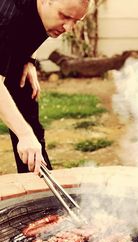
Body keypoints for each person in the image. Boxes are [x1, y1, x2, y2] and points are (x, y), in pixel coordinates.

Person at [0, 0, 89, 174]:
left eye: (76, 21)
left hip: (11, 45)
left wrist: (29, 59)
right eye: (65, 16)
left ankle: (38, 184)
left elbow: (31, 26)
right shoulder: (6, 18)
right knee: (26, 133)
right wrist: (24, 135)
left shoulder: (49, 15)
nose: (68, 28)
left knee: (30, 127)